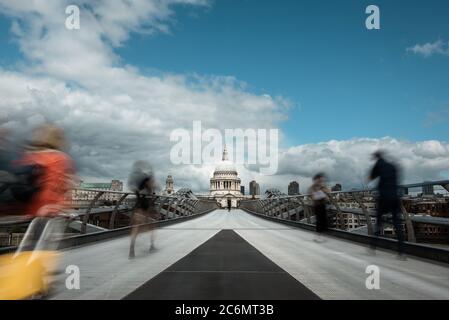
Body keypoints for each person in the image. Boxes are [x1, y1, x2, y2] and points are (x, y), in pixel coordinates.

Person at [13, 124, 76, 253]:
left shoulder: (29, 156)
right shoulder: (60, 158)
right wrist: (67, 209)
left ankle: (24, 261)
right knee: (47, 240)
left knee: (30, 239)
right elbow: (62, 185)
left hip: (30, 205)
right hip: (49, 206)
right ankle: (38, 265)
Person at [369, 150, 405, 259]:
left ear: (377, 157)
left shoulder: (378, 164)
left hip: (384, 197)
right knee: (397, 224)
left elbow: (371, 177)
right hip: (395, 197)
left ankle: (373, 247)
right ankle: (401, 252)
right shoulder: (392, 166)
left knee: (379, 222)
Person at [128, 161, 160, 259]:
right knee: (152, 226)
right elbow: (153, 189)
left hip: (138, 205)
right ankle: (152, 246)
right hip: (146, 206)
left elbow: (133, 188)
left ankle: (131, 249)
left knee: (136, 227)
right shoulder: (148, 179)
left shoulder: (137, 182)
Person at [308, 173, 330, 242]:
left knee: (323, 220)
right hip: (317, 205)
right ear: (317, 179)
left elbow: (328, 193)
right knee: (319, 220)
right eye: (320, 178)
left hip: (323, 204)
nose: (322, 180)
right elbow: (312, 195)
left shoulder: (323, 186)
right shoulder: (313, 187)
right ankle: (318, 236)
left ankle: (319, 235)